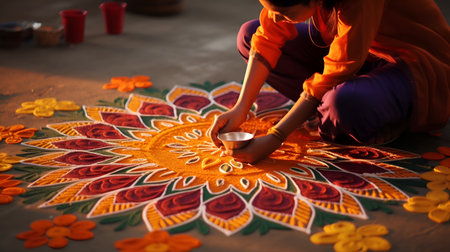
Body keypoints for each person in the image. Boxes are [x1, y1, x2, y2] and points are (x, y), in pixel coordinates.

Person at [207, 0, 450, 163]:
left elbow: (340, 67)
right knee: (249, 35)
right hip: (355, 54)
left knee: (341, 104)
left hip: (411, 64)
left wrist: (276, 137)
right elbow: (268, 36)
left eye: (286, 12)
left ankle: (387, 117)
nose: (277, 17)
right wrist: (241, 108)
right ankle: (333, 104)